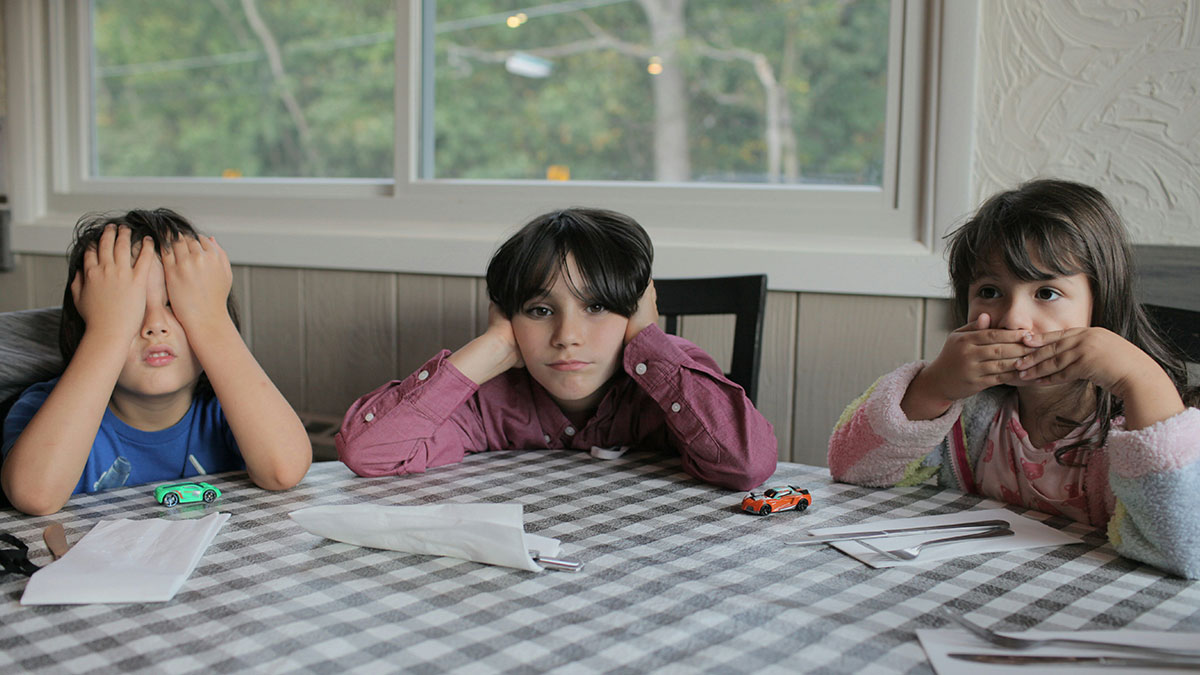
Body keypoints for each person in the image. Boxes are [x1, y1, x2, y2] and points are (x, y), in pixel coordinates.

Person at [827, 179, 1200, 578]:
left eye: (1047, 293)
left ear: (1101, 303)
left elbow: (1185, 546)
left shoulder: (1152, 422)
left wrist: (1142, 378)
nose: (1013, 320)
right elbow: (852, 470)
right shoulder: (966, 412)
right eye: (990, 291)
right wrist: (934, 385)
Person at [337, 208, 776, 490]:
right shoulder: (486, 401)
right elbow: (367, 452)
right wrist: (489, 348)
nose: (568, 335)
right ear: (507, 318)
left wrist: (648, 341)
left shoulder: (670, 375)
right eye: (540, 310)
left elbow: (748, 464)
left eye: (598, 306)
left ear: (637, 310)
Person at [1, 209, 311, 515]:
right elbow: (35, 495)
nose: (155, 326)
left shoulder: (230, 410)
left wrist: (212, 322)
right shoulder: (41, 408)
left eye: (176, 306)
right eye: (130, 311)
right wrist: (108, 332)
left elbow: (284, 471)